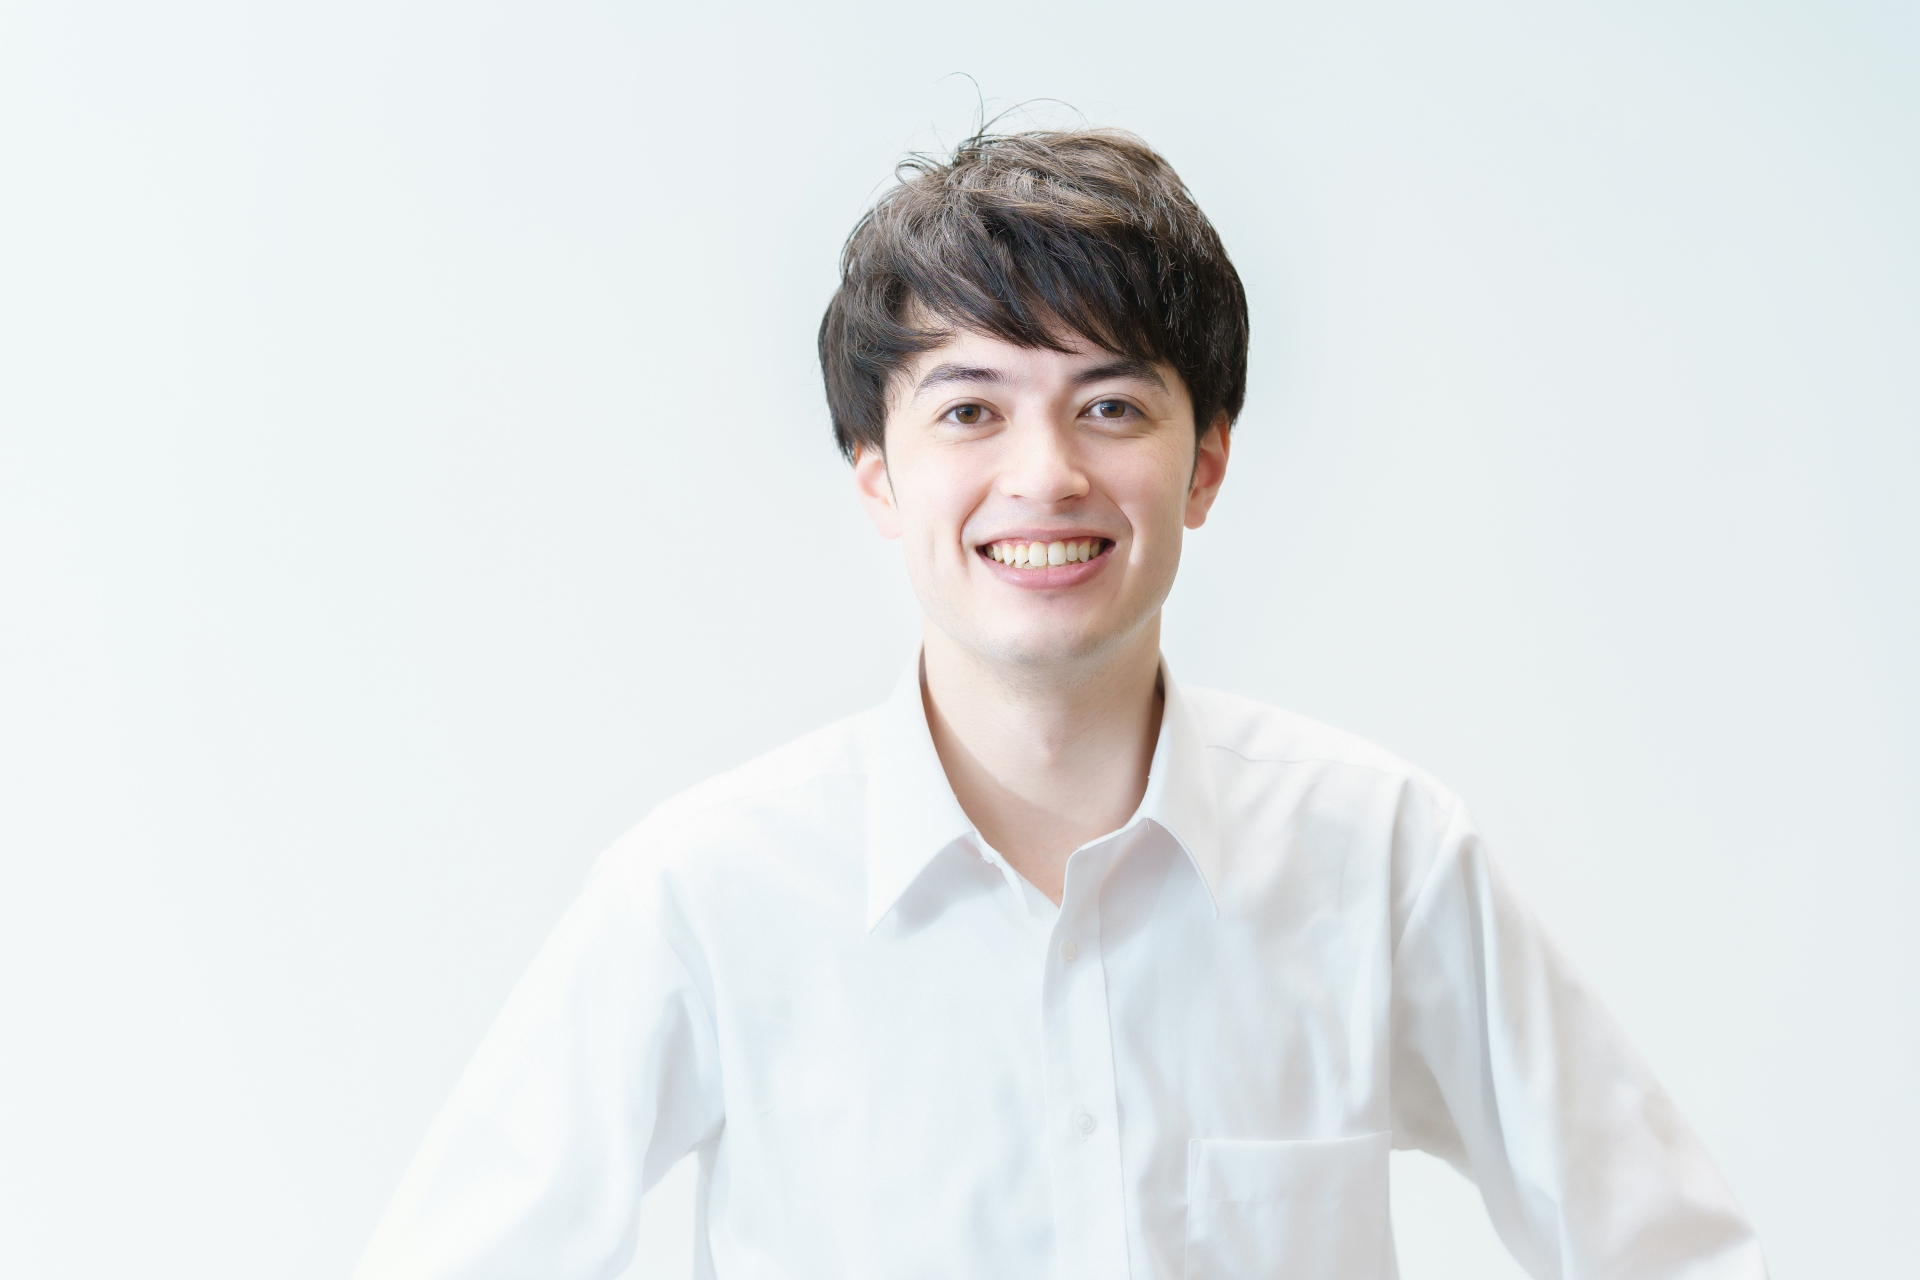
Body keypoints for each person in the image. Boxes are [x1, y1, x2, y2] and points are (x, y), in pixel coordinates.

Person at [355, 128, 1767, 1279]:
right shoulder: (710, 890)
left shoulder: (1379, 855)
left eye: (1111, 407)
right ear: (877, 473)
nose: (1044, 476)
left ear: (1206, 464)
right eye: (969, 410)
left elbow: (1673, 1253)